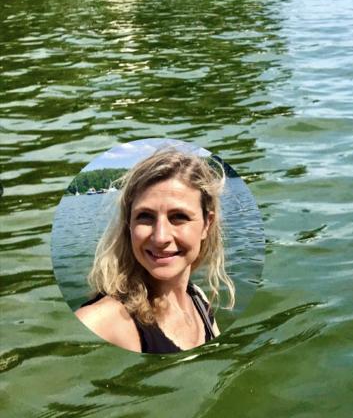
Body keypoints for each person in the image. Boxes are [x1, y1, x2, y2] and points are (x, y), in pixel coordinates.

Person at [75, 149, 235, 353]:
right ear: (129, 224)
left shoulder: (198, 299)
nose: (160, 237)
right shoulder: (102, 321)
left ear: (207, 224)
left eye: (179, 216)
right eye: (145, 216)